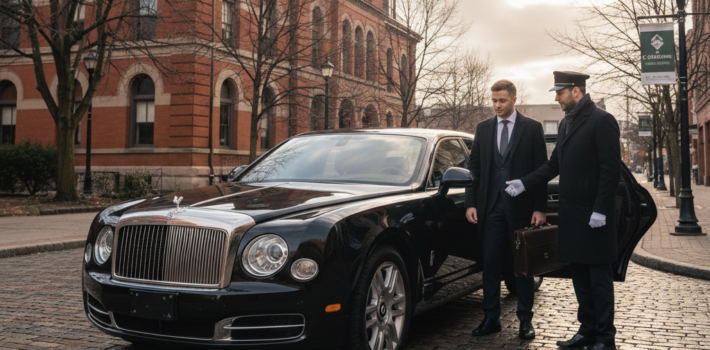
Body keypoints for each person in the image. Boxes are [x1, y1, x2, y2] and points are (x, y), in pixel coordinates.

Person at [505, 71, 621, 350]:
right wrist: (524, 183)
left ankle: (605, 338)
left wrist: (601, 210)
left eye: (560, 92)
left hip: (595, 217)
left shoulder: (602, 121)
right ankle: (587, 331)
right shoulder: (567, 123)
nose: (556, 97)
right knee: (580, 277)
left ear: (576, 91)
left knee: (599, 280)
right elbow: (552, 165)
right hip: (573, 216)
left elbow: (610, 170)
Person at [465, 80, 548, 340]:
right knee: (489, 264)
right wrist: (471, 203)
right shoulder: (483, 128)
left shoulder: (532, 128)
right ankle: (491, 318)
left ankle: (525, 320)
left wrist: (540, 208)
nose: (497, 105)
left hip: (521, 209)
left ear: (513, 99)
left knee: (522, 266)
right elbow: (474, 169)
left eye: (501, 100)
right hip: (490, 209)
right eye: (493, 100)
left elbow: (541, 170)